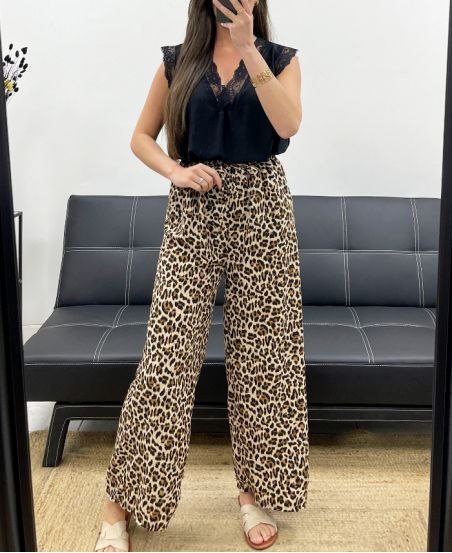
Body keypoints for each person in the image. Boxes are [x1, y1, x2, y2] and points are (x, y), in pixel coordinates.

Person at [94, 0, 309, 550]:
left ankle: (254, 494)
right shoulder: (178, 62)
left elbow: (288, 124)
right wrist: (175, 170)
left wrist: (247, 47)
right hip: (193, 212)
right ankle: (119, 503)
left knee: (266, 359)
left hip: (262, 210)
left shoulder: (280, 58)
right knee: (166, 356)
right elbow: (141, 136)